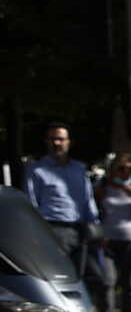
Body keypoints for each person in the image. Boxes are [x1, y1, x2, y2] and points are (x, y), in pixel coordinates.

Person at [23, 123, 101, 294]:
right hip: (52, 229)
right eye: (53, 139)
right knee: (59, 278)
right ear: (46, 142)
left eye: (61, 139)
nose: (57, 143)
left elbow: (87, 199)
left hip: (80, 230)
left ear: (69, 142)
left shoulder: (79, 169)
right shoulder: (37, 170)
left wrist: (94, 225)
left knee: (91, 277)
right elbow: (31, 203)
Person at [96, 154, 131, 312]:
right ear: (113, 170)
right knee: (108, 280)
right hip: (108, 240)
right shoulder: (103, 187)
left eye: (130, 169)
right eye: (121, 169)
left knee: (129, 282)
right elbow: (94, 210)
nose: (125, 172)